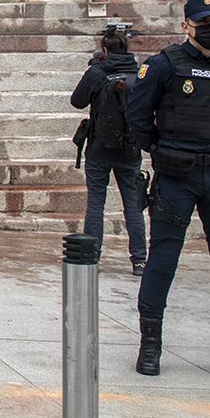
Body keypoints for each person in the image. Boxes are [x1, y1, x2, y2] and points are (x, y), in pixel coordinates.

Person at [125, 0, 210, 382]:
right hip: (176, 175)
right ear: (186, 26)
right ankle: (150, 344)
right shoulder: (163, 65)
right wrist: (160, 149)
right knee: (163, 258)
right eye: (202, 22)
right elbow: (137, 114)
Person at [69, 27, 147, 275]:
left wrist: (94, 70)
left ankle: (92, 256)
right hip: (130, 147)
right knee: (133, 205)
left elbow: (77, 101)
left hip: (100, 146)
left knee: (95, 203)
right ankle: (139, 259)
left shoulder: (98, 72)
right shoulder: (140, 73)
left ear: (104, 49)